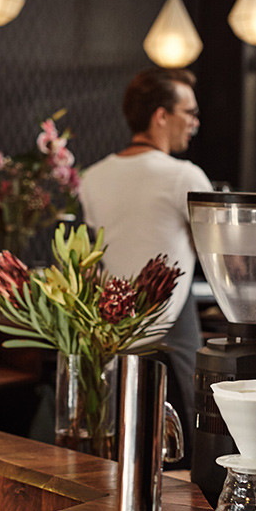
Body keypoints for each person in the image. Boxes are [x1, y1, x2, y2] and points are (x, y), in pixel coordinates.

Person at [77, 67, 212, 456]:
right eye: (189, 112)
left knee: (121, 450)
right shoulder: (183, 175)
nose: (195, 123)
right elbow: (219, 254)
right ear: (161, 115)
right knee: (183, 452)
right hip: (172, 334)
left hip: (110, 333)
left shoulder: (92, 177)